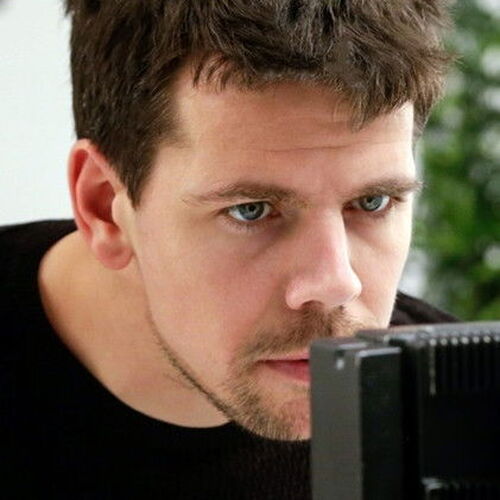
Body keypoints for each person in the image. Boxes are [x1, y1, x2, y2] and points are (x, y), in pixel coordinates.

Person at [1, 0, 457, 498]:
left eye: (372, 202)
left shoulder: (455, 414)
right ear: (105, 207)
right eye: (251, 210)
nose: (334, 284)